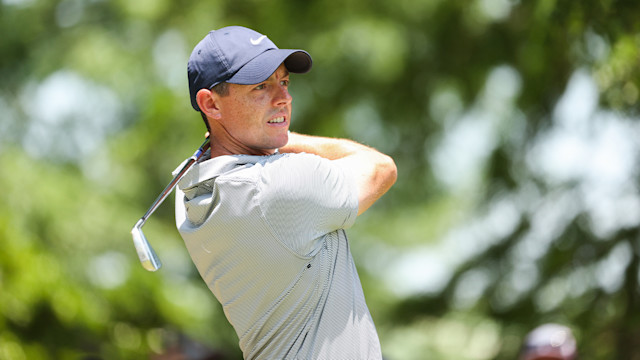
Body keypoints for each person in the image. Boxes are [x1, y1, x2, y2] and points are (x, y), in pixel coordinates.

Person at [174, 26, 397, 359]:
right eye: (261, 86)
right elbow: (380, 167)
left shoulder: (193, 192)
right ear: (210, 103)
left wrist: (259, 131)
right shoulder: (278, 187)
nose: (284, 98)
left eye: (284, 82)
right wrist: (286, 136)